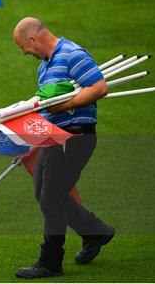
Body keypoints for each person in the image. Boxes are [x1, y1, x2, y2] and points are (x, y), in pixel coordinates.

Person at [12, 17, 115, 279]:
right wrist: (30, 142)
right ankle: (96, 233)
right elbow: (47, 109)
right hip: (53, 137)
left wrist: (66, 106)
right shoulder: (45, 67)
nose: (24, 53)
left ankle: (50, 261)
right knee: (43, 193)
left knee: (51, 198)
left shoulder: (72, 54)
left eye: (22, 46)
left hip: (75, 137)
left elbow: (99, 87)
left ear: (33, 38)